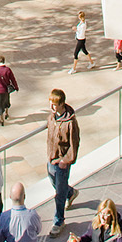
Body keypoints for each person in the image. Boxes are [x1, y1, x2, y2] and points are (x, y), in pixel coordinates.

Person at [43, 89, 79, 233]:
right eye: (50, 104)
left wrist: (66, 160)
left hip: (62, 161)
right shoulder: (51, 118)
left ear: (62, 104)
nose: (52, 107)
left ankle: (59, 221)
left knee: (59, 193)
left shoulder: (70, 122)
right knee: (54, 181)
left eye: (55, 105)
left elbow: (74, 143)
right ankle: (69, 192)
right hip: (51, 158)